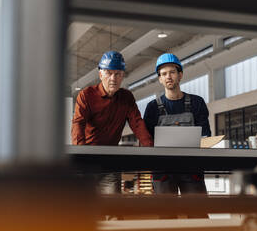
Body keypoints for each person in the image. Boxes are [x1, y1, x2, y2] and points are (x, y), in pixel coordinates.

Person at [72, 50, 153, 194]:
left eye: (118, 74)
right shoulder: (86, 95)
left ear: (122, 76)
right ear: (100, 74)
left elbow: (137, 123)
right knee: (83, 208)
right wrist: (81, 156)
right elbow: (78, 124)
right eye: (109, 73)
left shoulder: (126, 98)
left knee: (112, 208)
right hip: (88, 161)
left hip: (110, 163)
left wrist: (151, 150)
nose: (113, 78)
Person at [143, 53, 211, 198]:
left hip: (191, 168)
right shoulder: (152, 108)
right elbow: (146, 142)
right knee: (166, 215)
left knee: (197, 212)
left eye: (172, 72)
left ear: (180, 75)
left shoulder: (196, 103)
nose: (168, 76)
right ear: (160, 79)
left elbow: (205, 137)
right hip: (162, 170)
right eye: (164, 73)